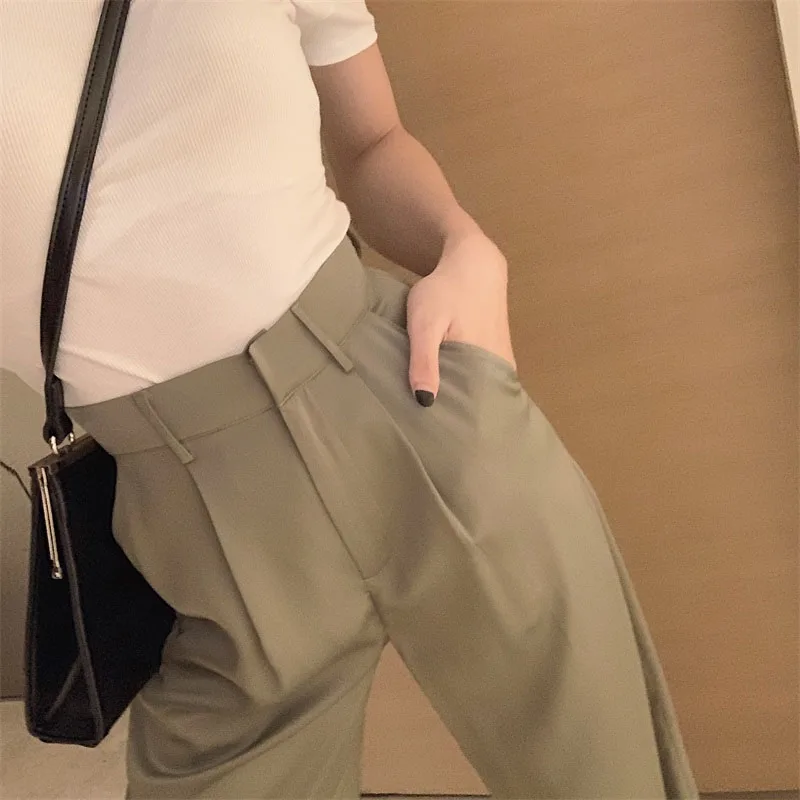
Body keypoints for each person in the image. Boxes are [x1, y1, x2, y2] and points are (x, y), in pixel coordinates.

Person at [1, 1, 699, 798]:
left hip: (412, 406)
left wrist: (467, 249)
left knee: (614, 778)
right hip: (195, 528)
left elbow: (372, 142)